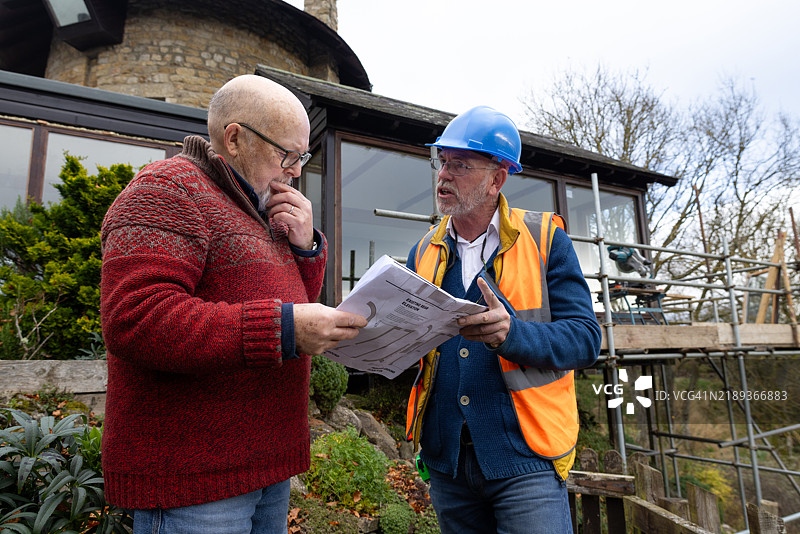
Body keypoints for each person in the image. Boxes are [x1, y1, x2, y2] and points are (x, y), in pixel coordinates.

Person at [100, 74, 367, 534]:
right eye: (287, 154)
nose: (296, 170)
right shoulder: (167, 189)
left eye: (302, 156)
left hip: (268, 463)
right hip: (195, 478)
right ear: (236, 137)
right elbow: (136, 319)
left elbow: (297, 299)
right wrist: (283, 328)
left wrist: (306, 248)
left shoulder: (262, 204)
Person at [404, 106, 602, 534]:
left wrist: (513, 334)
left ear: (497, 179)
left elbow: (586, 339)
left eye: (460, 164)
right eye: (442, 161)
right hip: (447, 463)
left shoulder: (547, 239)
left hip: (526, 460)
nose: (443, 175)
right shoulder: (422, 252)